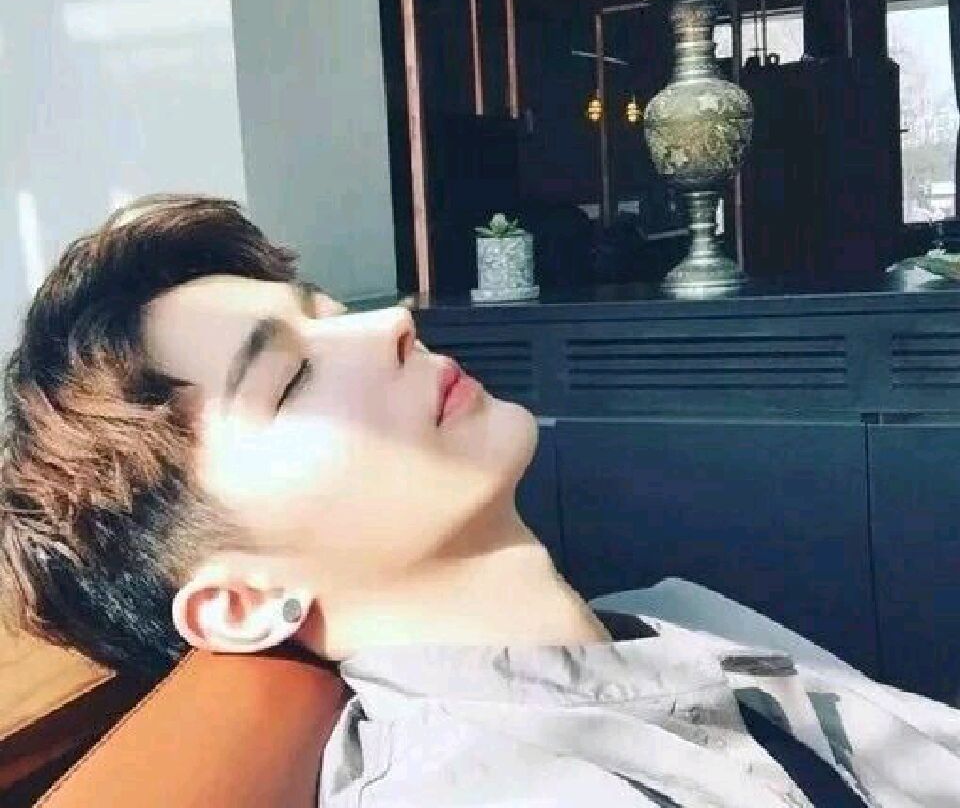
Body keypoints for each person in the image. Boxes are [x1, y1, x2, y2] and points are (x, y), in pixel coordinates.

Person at [1, 194, 957, 807]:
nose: (392, 324)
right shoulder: (486, 786)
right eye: (289, 380)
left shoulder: (668, 614)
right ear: (243, 602)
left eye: (332, 316)